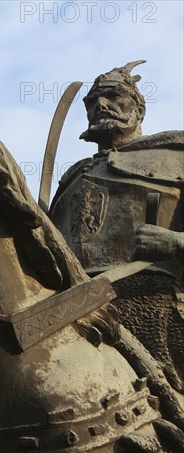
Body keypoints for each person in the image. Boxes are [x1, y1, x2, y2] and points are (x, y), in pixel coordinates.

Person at [49, 61, 184, 394]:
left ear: (138, 108)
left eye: (113, 97)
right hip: (71, 312)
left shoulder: (176, 155)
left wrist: (176, 242)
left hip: (154, 301)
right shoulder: (70, 179)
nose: (101, 106)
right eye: (92, 102)